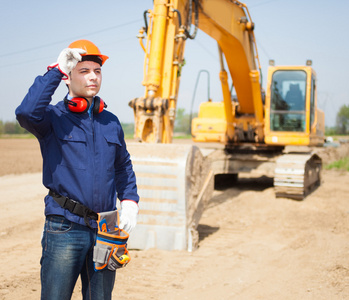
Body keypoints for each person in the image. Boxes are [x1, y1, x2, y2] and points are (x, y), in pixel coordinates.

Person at [15, 39, 140, 300]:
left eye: (97, 71)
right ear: (68, 77)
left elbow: (123, 166)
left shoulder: (111, 122)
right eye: (84, 71)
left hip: (106, 229)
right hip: (64, 227)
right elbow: (26, 112)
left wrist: (129, 201)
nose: (93, 77)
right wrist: (55, 70)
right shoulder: (52, 118)